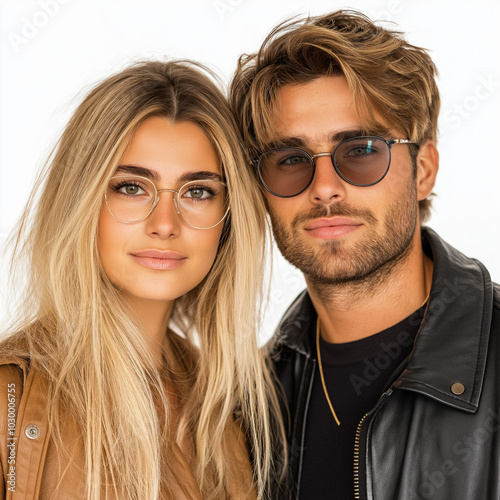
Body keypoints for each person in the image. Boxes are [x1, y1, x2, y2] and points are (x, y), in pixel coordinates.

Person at [230, 10, 500, 500]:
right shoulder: (251, 406)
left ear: (423, 170)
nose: (325, 188)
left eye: (360, 150)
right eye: (291, 160)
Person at [0, 60, 285, 500]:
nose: (165, 224)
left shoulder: (230, 404)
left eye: (198, 191)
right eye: (132, 187)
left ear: (229, 220)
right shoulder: (9, 400)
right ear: (83, 199)